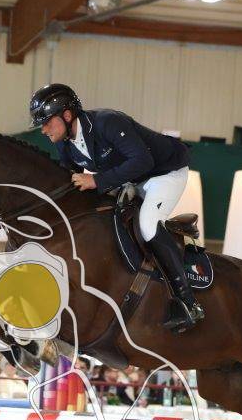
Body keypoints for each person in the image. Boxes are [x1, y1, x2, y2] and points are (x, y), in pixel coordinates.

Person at [30, 82, 201, 332]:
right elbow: (69, 179)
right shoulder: (63, 141)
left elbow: (143, 160)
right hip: (133, 179)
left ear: (67, 115)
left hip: (165, 172)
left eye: (46, 122)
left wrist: (97, 181)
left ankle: (187, 302)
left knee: (147, 225)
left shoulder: (107, 122)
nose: (43, 129)